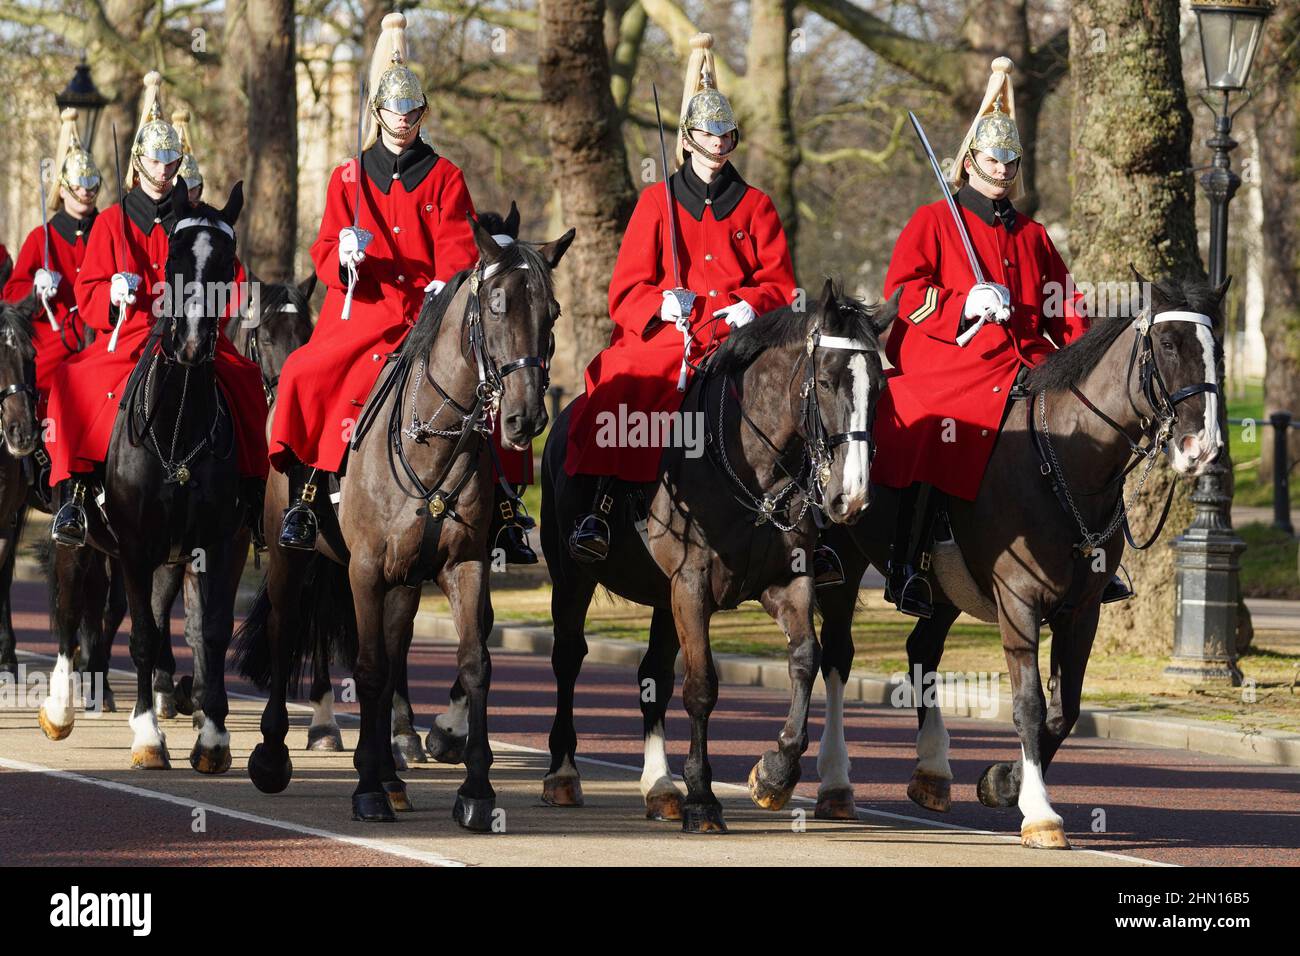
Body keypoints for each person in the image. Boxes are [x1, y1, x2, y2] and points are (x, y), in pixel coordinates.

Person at [874, 57, 1128, 618]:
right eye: (993, 157)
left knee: (1094, 425)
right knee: (934, 428)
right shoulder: (935, 221)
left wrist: (1087, 357)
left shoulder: (1033, 235)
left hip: (1028, 362)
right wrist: (967, 304)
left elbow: (1066, 308)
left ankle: (1104, 554)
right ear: (970, 162)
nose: (1004, 167)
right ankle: (909, 562)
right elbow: (905, 294)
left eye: (1011, 159)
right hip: (954, 361)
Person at [272, 12, 503, 551]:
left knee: (497, 379)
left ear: (421, 114)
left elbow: (457, 247)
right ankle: (306, 493)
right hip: (363, 312)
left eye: (412, 111)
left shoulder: (445, 176)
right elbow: (325, 249)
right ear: (377, 114)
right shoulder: (346, 177)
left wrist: (444, 287)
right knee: (306, 372)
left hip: (426, 316)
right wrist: (344, 257)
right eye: (395, 111)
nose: (404, 120)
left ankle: (505, 505)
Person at [565, 33, 798, 565]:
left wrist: (755, 304)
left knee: (801, 390)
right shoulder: (656, 201)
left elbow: (783, 286)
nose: (718, 144)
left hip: (738, 335)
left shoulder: (756, 205)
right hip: (671, 336)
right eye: (707, 135)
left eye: (725, 135)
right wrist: (659, 305)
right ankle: (603, 504)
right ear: (687, 140)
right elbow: (624, 290)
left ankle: (809, 528)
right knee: (628, 377)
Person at [46, 70, 269, 546]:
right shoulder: (110, 222)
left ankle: (253, 491)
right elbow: (88, 292)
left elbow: (227, 274)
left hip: (188, 329)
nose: (166, 167)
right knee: (71, 381)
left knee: (248, 382)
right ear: (138, 162)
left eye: (172, 160)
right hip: (130, 335)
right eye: (157, 158)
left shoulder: (197, 220)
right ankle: (75, 496)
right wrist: (112, 294)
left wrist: (211, 313)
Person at [3, 106, 100, 502]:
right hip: (52, 339)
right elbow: (11, 296)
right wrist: (34, 288)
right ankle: (32, 462)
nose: (85, 195)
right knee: (40, 377)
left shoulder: (106, 228)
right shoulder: (39, 237)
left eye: (91, 188)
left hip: (97, 336)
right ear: (63, 189)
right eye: (78, 188)